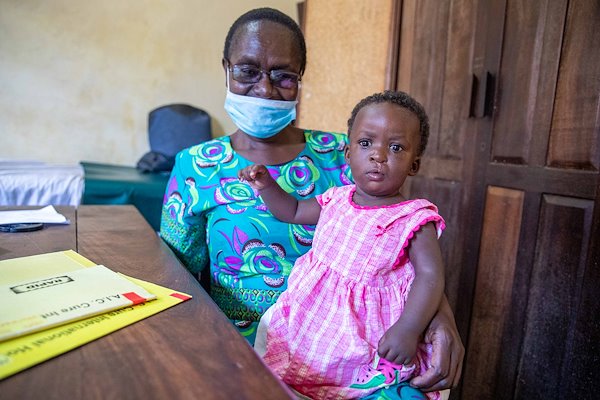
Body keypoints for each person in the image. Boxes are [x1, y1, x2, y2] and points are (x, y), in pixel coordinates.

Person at [159, 7, 463, 394]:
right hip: (243, 341)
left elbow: (401, 244)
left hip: (356, 343)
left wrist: (440, 319)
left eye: (284, 76)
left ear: (300, 79)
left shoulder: (348, 154)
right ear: (226, 69)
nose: (265, 89)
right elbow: (173, 273)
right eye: (248, 71)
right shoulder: (195, 166)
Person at [239, 90, 445, 399]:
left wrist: (409, 329)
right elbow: (292, 210)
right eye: (366, 143)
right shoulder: (336, 198)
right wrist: (267, 185)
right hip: (313, 319)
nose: (378, 155)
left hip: (367, 332)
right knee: (286, 370)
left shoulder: (413, 218)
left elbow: (430, 276)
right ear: (348, 154)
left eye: (396, 147)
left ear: (413, 165)